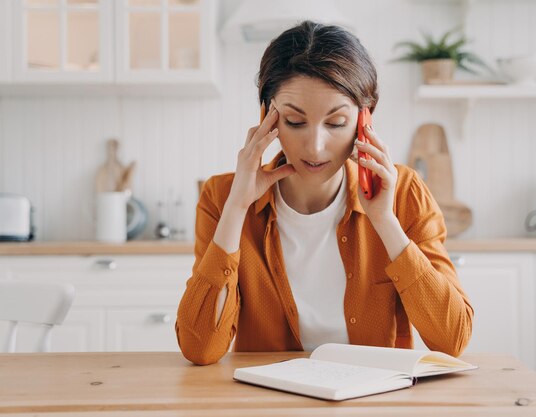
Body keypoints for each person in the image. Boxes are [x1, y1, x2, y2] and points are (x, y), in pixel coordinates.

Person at [176, 21, 473, 366]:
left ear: (365, 119)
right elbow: (200, 349)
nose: (315, 148)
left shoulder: (404, 192)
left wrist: (385, 222)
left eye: (335, 123)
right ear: (267, 117)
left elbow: (453, 340)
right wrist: (237, 207)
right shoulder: (222, 196)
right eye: (295, 122)